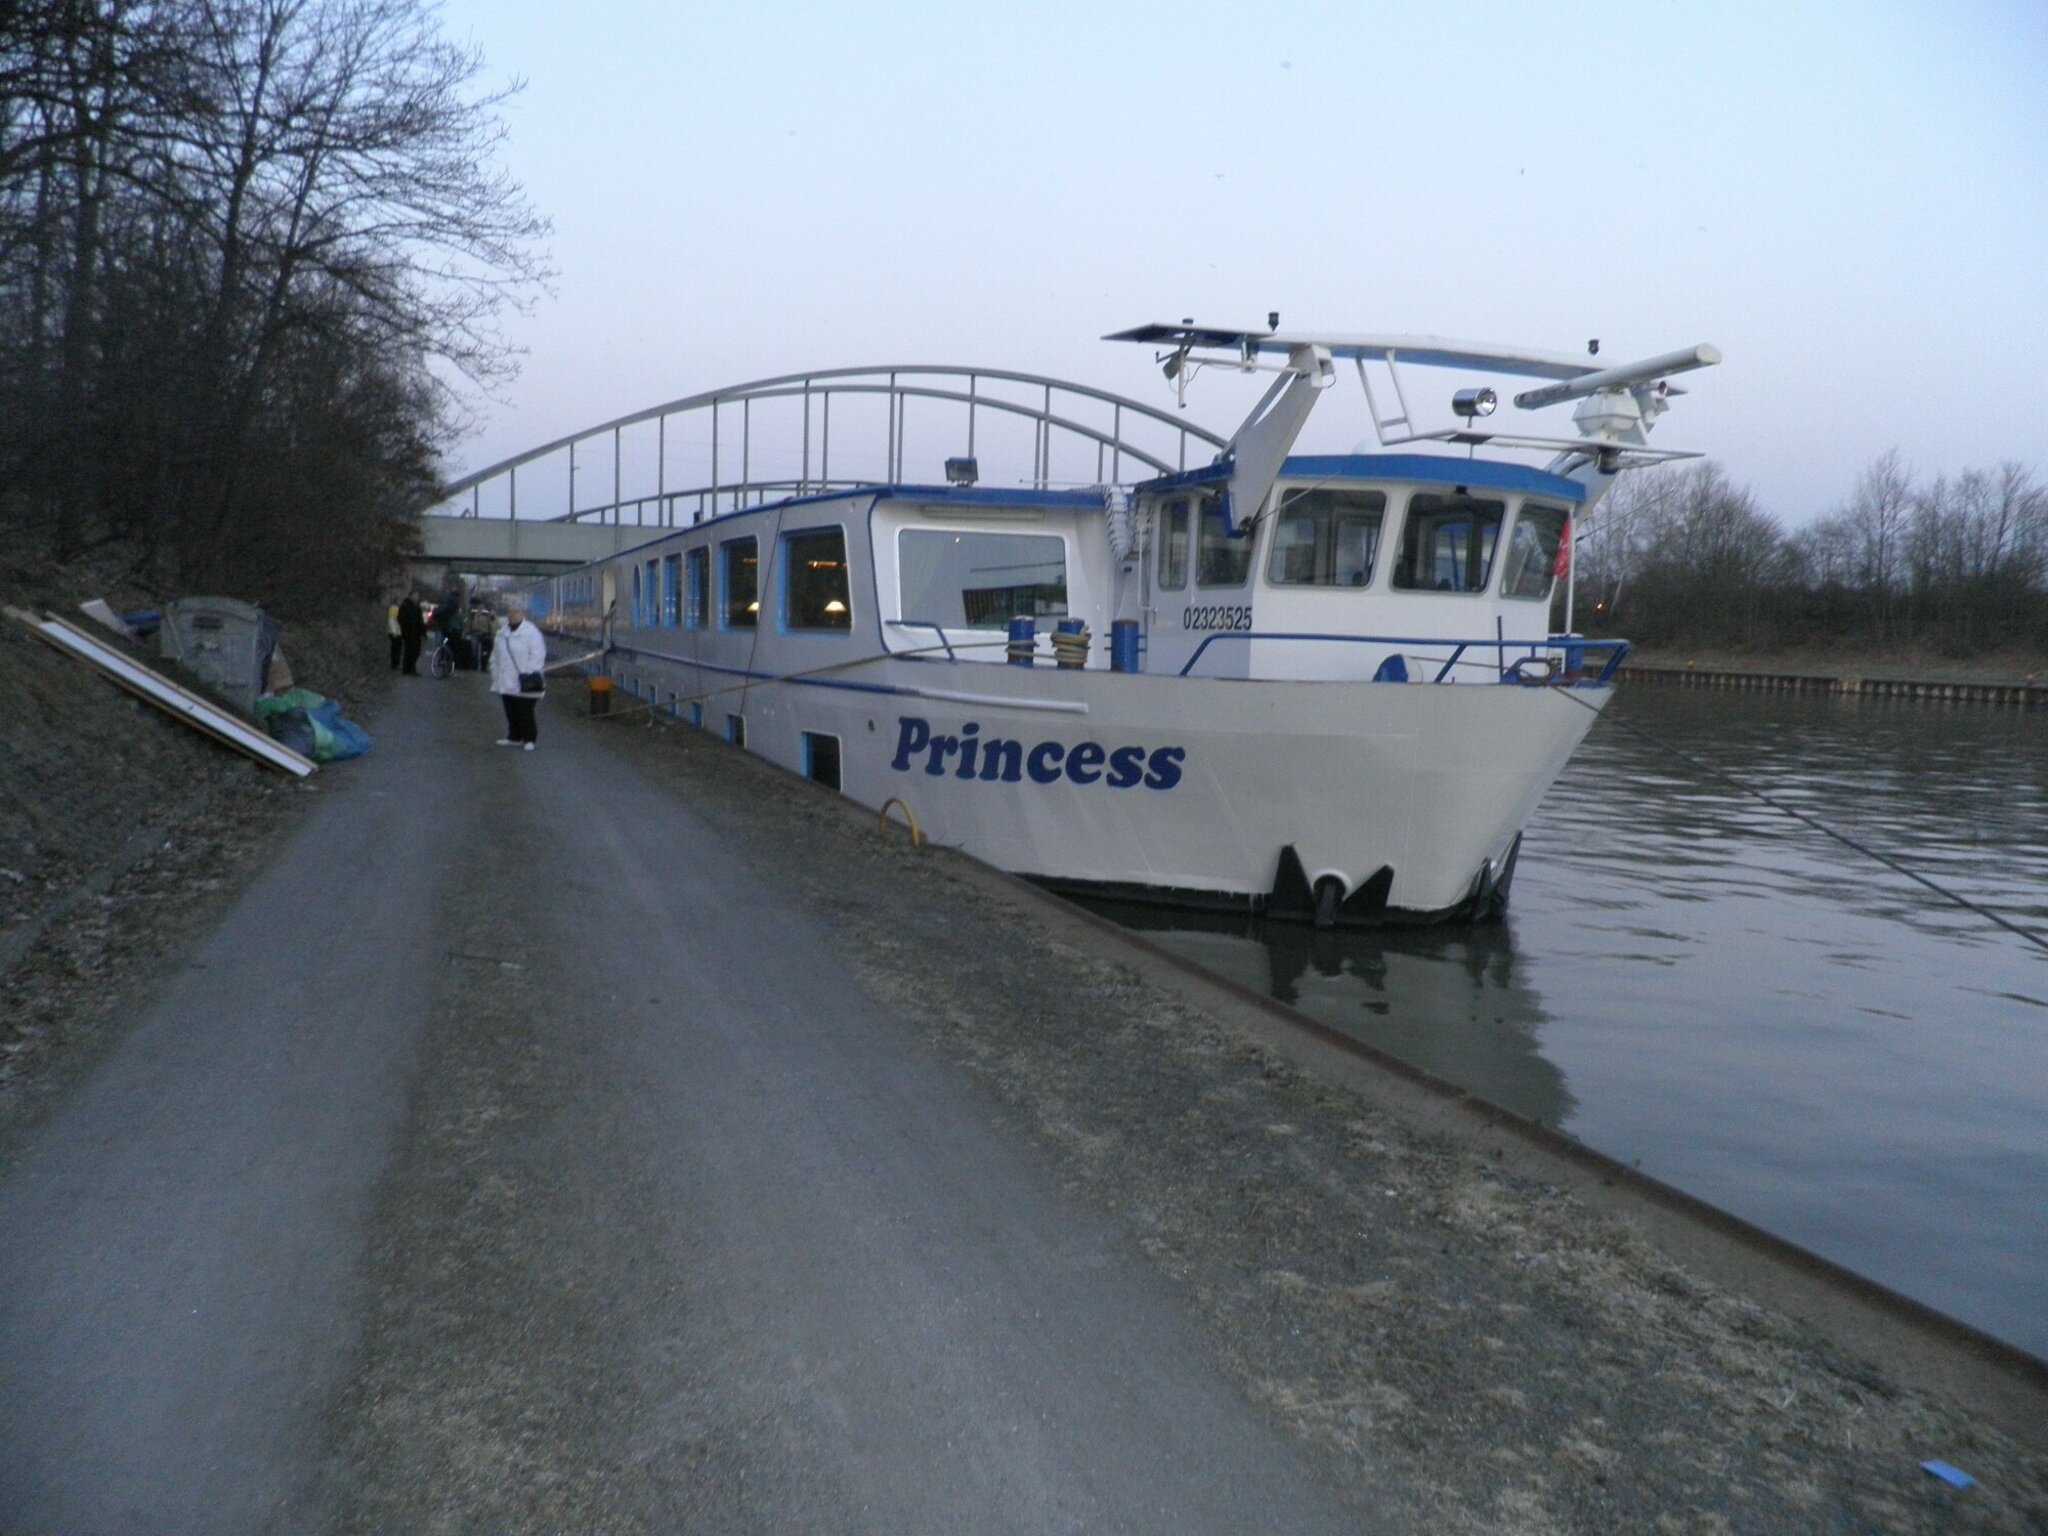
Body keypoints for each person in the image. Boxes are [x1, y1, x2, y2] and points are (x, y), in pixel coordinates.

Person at [489, 604, 547, 750]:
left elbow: (537, 655)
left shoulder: (532, 633)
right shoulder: (502, 633)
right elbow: (496, 654)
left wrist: (529, 672)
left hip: (525, 680)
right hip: (506, 678)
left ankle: (529, 739)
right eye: (510, 612)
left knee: (525, 710)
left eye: (516, 612)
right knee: (510, 709)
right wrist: (494, 670)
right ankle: (514, 736)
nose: (512, 615)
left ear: (522, 614)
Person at [397, 589, 426, 675]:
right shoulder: (405, 606)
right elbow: (401, 618)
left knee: (416, 651)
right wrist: (406, 628)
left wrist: (423, 631)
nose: (416, 598)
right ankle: (408, 669)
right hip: (408, 632)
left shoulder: (417, 607)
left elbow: (420, 620)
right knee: (409, 651)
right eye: (414, 596)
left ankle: (410, 668)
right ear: (410, 596)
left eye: (417, 596)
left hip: (416, 632)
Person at [387, 598, 402, 671]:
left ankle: (396, 663)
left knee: (397, 648)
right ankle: (394, 664)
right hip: (395, 632)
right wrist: (394, 631)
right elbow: (391, 620)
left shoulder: (398, 608)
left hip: (398, 632)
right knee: (395, 648)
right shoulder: (393, 608)